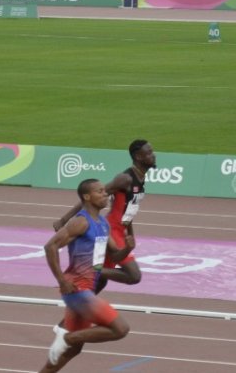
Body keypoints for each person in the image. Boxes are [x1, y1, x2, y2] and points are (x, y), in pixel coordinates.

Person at [41, 179, 131, 372]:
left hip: (87, 287)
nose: (106, 194)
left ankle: (66, 344)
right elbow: (50, 246)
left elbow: (115, 254)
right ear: (87, 197)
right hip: (76, 289)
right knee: (120, 328)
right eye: (100, 192)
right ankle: (67, 336)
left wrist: (128, 248)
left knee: (71, 352)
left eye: (105, 191)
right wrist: (62, 280)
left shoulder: (103, 223)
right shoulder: (81, 222)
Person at [54, 140, 155, 294]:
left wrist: (130, 234)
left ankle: (74, 312)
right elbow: (93, 197)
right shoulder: (125, 179)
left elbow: (129, 210)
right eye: (148, 153)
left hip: (120, 232)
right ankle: (88, 270)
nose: (153, 155)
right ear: (138, 156)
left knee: (95, 288)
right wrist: (64, 219)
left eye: (152, 151)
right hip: (111, 231)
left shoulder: (141, 178)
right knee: (133, 275)